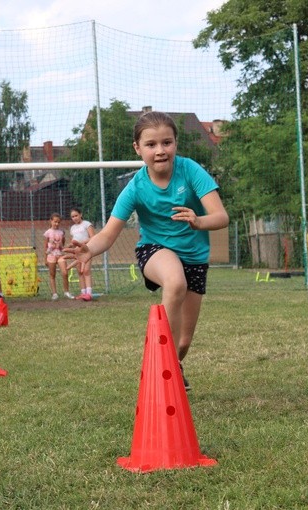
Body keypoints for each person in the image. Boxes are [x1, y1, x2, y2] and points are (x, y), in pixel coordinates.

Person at [65, 111, 229, 391]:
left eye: (167, 143)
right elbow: (108, 233)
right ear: (138, 149)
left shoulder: (190, 171)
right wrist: (88, 250)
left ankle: (172, 365)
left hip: (194, 258)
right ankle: (160, 364)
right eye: (151, 145)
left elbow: (221, 217)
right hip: (155, 251)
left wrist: (198, 220)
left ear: (175, 143)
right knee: (175, 281)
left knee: (184, 342)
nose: (160, 150)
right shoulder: (136, 188)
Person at [66, 207, 95, 301]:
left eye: (76, 215)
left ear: (80, 214)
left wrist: (82, 243)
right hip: (77, 252)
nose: (74, 218)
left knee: (86, 270)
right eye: (72, 217)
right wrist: (70, 246)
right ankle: (83, 293)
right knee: (80, 272)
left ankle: (89, 293)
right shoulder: (73, 228)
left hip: (86, 250)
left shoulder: (87, 224)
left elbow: (93, 237)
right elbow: (74, 240)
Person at [43, 212, 72, 300]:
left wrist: (61, 245)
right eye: (55, 221)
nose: (56, 224)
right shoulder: (47, 233)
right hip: (51, 255)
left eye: (58, 222)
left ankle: (66, 291)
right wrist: (45, 259)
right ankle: (54, 293)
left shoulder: (61, 232)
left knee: (65, 272)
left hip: (59, 254)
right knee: (52, 274)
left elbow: (62, 244)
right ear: (51, 221)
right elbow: (45, 246)